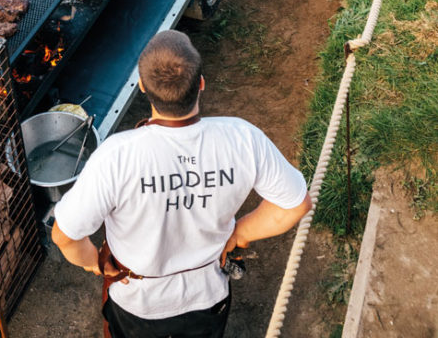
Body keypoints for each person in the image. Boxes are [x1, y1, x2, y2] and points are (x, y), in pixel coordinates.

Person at [52, 31, 311, 338]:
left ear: (143, 87)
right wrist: (241, 231)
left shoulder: (115, 156)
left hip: (137, 306)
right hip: (208, 299)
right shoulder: (243, 138)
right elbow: (295, 204)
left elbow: (65, 237)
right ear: (201, 83)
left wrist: (94, 263)